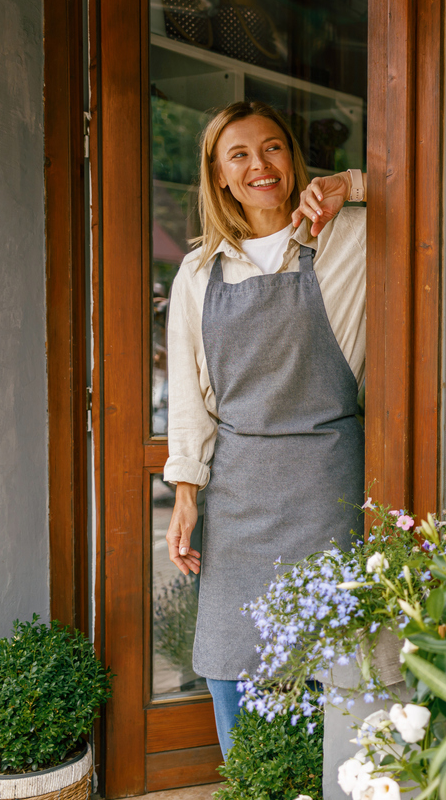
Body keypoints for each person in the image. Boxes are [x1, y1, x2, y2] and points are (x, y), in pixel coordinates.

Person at [162, 100, 367, 756]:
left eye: (273, 147)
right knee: (231, 656)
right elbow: (191, 400)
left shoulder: (347, 235)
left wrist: (350, 186)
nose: (260, 164)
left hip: (329, 484)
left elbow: (443, 193)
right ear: (218, 175)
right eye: (240, 154)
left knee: (333, 660)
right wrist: (186, 495)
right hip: (239, 490)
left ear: (293, 158)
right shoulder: (199, 272)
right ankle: (253, 782)